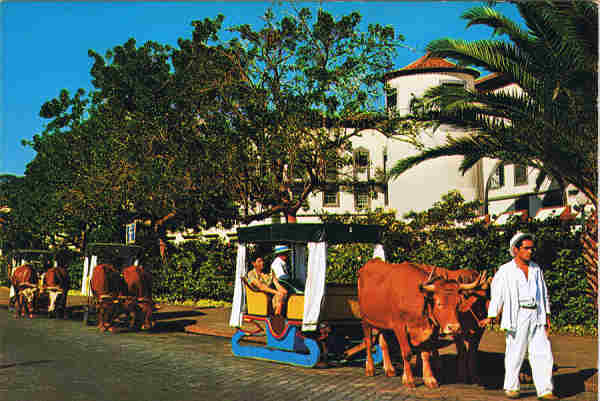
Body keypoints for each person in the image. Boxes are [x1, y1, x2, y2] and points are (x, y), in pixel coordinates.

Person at [480, 232, 558, 400]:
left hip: (536, 314)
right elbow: (497, 295)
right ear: (515, 250)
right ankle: (511, 387)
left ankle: (545, 390)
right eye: (526, 248)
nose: (530, 251)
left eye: (531, 248)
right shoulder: (505, 270)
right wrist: (492, 315)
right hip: (517, 315)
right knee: (515, 352)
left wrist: (547, 316)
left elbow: (543, 294)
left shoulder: (536, 269)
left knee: (543, 352)